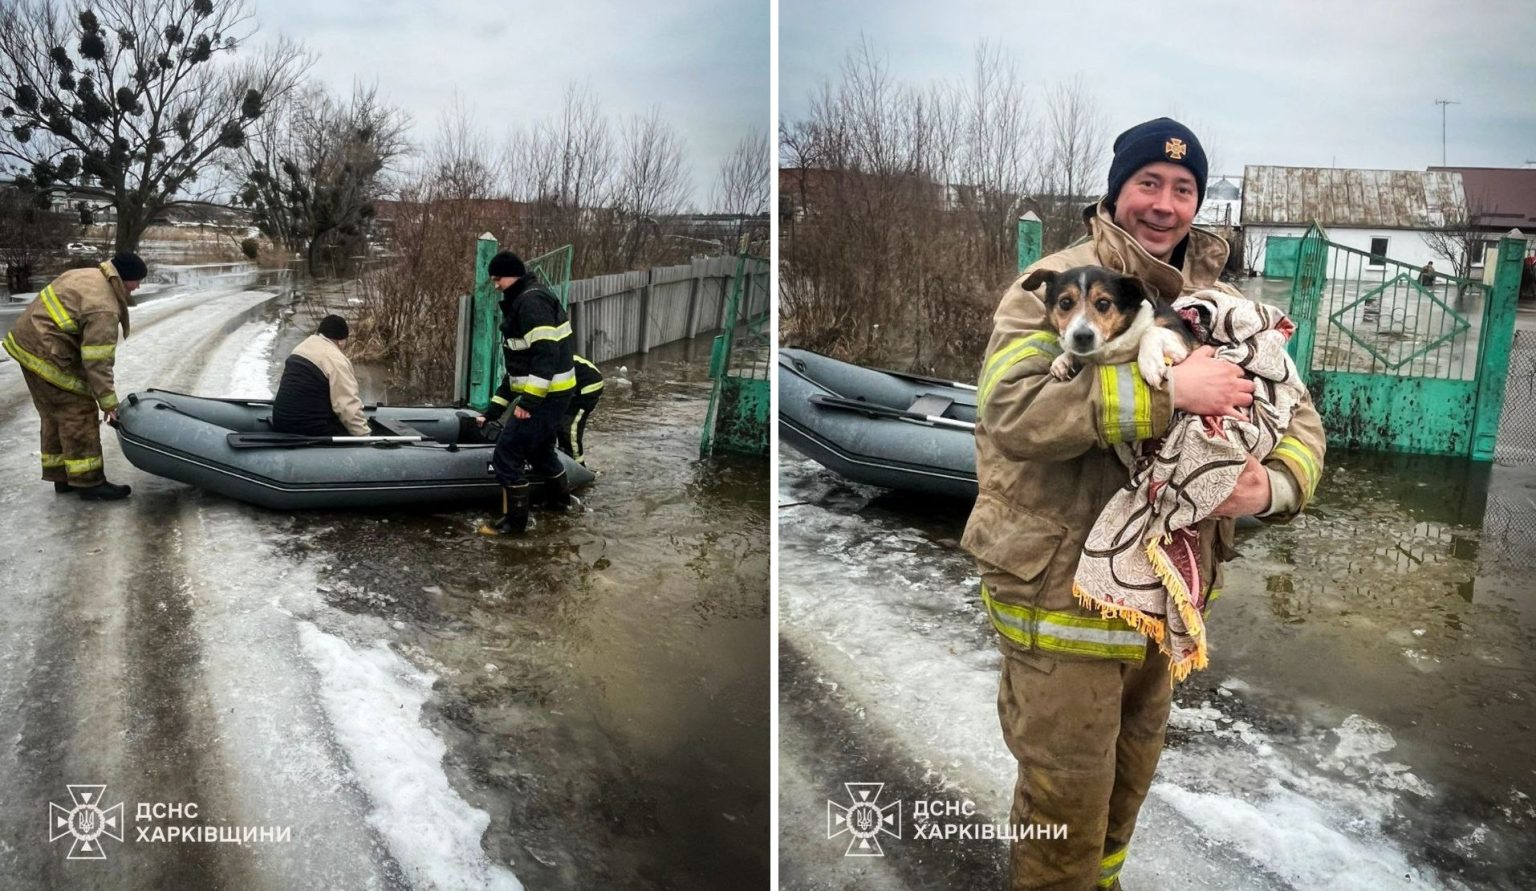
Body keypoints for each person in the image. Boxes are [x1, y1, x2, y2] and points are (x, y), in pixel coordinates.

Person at [962, 117, 1327, 890]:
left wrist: (1276, 483)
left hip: (1161, 605)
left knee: (1125, 796)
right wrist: (1167, 395)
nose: (1164, 204)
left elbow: (1297, 410)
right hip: (1059, 601)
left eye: (1183, 188)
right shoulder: (1057, 286)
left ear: (1198, 202)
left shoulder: (1221, 306)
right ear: (1117, 190)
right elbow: (1009, 409)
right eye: (1148, 185)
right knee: (1064, 810)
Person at [2, 253, 147, 500]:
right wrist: (108, 403)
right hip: (47, 353)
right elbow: (97, 361)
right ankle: (89, 484)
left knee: (54, 414)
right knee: (78, 412)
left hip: (28, 344)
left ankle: (63, 477)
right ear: (123, 279)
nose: (139, 287)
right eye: (137, 281)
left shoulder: (89, 274)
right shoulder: (103, 307)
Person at [477, 250, 577, 535]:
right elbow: (518, 373)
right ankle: (560, 503)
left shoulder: (532, 302)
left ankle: (515, 523)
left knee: (507, 453)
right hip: (552, 394)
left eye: (498, 279)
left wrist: (530, 403)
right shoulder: (524, 300)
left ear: (514, 275)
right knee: (541, 449)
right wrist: (493, 412)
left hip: (547, 396)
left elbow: (545, 355)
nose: (495, 284)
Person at [270, 315, 370, 437]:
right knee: (347, 432)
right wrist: (364, 437)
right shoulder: (336, 359)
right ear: (341, 341)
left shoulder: (300, 348)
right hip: (308, 429)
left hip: (280, 422)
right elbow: (346, 405)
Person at [558, 354, 604, 466]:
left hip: (588, 386)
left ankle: (577, 464)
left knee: (569, 428)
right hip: (573, 388)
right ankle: (563, 457)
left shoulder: (545, 362)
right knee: (558, 424)